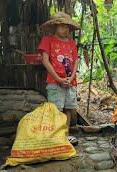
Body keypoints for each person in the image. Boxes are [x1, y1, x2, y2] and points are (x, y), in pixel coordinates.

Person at [37, 12, 81, 145]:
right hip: (54, 82)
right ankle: (56, 135)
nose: (65, 29)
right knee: (56, 110)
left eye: (67, 27)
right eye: (62, 26)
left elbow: (75, 61)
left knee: (69, 108)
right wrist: (58, 78)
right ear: (54, 26)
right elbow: (45, 60)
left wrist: (72, 77)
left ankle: (65, 134)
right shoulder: (47, 40)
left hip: (70, 82)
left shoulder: (72, 42)